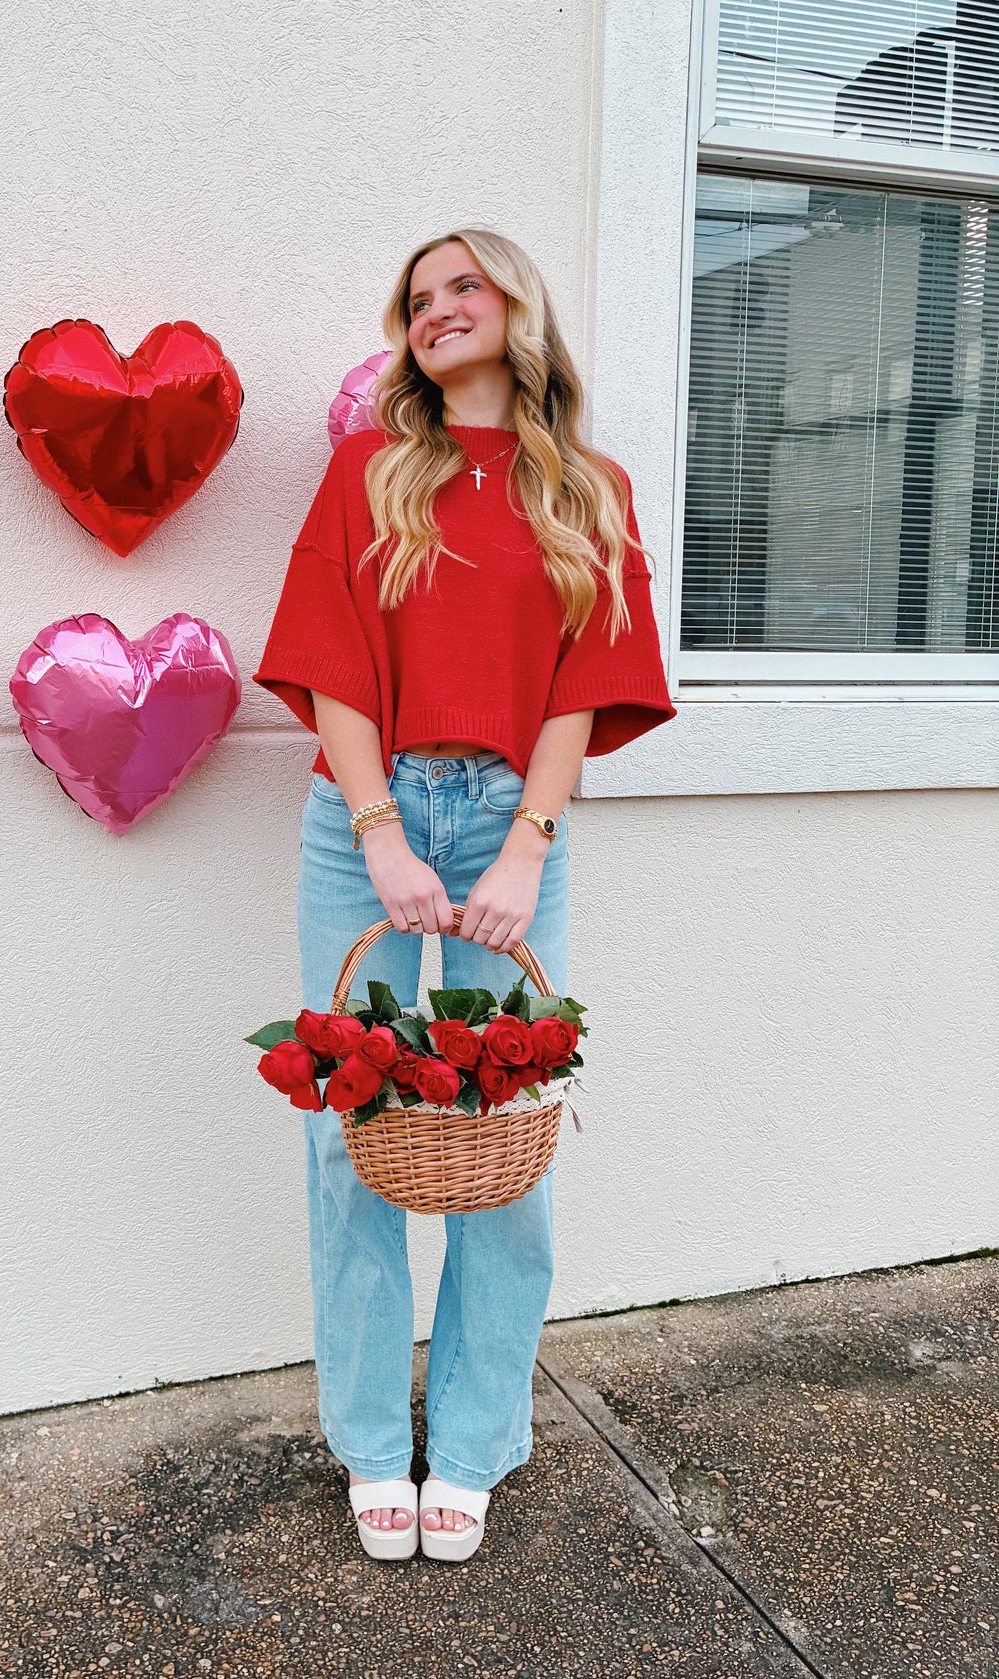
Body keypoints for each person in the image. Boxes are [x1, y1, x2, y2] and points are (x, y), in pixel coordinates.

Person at [253, 228, 676, 1563]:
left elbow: (583, 682)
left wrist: (524, 847)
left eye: (461, 289)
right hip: (361, 821)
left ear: (514, 311)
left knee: (507, 1118)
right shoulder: (367, 475)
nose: (436, 312)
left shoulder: (586, 490)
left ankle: (480, 1438)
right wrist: (379, 829)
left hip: (509, 819)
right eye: (416, 299)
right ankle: (374, 1442)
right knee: (353, 1129)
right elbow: (328, 660)